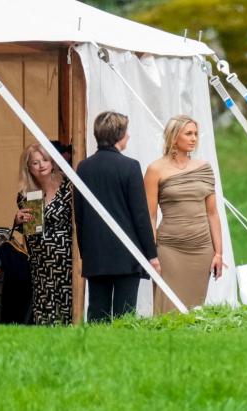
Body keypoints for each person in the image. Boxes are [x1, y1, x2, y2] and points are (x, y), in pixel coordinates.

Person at [75, 111, 160, 322]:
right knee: (124, 316)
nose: (129, 136)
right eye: (126, 132)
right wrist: (151, 254)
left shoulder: (84, 168)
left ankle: (96, 352)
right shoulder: (129, 167)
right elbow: (140, 215)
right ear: (119, 135)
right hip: (126, 253)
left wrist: (85, 252)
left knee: (97, 314)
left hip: (96, 254)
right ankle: (121, 354)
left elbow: (80, 216)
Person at [144, 115, 223, 313]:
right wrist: (151, 254)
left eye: (196, 134)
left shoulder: (204, 168)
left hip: (202, 248)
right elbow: (150, 216)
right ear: (173, 136)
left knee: (194, 309)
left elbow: (213, 214)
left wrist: (219, 253)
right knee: (167, 308)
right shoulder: (155, 169)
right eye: (188, 133)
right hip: (169, 248)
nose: (194, 138)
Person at [14, 143, 73, 324]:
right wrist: (18, 221)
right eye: (35, 163)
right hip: (41, 265)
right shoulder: (27, 194)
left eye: (45, 160)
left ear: (52, 161)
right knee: (45, 312)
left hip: (66, 262)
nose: (42, 165)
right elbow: (32, 230)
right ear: (28, 168)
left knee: (67, 311)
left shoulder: (68, 187)